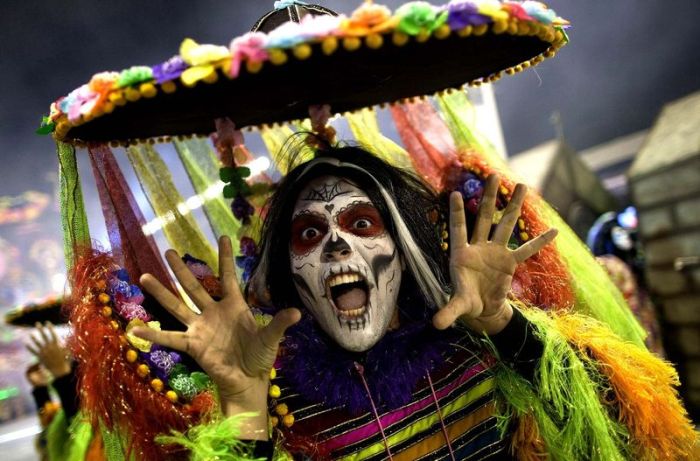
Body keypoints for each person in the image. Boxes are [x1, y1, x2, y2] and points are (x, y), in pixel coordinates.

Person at [133, 145, 696, 460]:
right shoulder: (283, 402)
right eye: (309, 233)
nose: (336, 244)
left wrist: (504, 325)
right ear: (290, 277)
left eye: (361, 223)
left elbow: (618, 436)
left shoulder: (474, 346)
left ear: (401, 251)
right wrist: (245, 408)